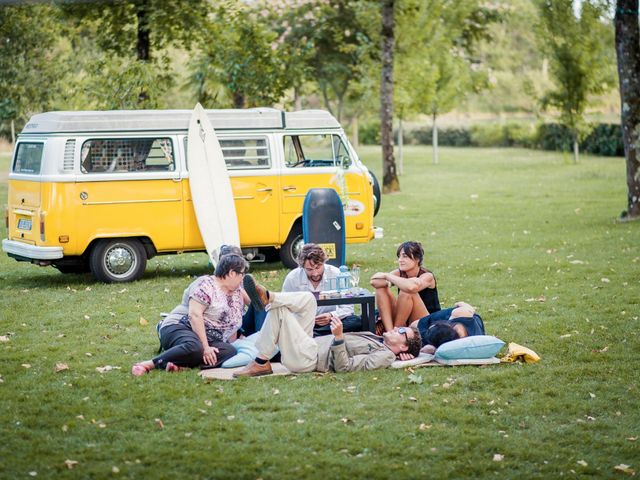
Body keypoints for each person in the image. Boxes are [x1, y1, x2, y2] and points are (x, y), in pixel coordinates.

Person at [233, 275, 422, 377]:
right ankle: (269, 297)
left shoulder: (386, 355)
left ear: (403, 346)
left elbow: (344, 368)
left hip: (309, 359)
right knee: (308, 299)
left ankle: (260, 362)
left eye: (402, 331)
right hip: (310, 344)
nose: (398, 327)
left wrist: (339, 338)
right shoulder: (378, 339)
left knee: (279, 311)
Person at [131, 253, 249, 376]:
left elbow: (254, 303)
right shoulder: (206, 286)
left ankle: (181, 365)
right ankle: (149, 364)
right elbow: (194, 315)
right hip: (182, 327)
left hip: (209, 337)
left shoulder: (236, 290)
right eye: (242, 274)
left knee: (228, 351)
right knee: (195, 347)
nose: (242, 278)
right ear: (231, 273)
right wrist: (206, 347)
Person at [241, 243, 361, 337]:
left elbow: (348, 308)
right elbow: (285, 308)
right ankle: (268, 299)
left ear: (324, 262)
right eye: (309, 269)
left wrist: (331, 315)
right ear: (302, 266)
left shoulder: (337, 274)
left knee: (355, 321)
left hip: (330, 323)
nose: (315, 273)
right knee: (278, 319)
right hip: (300, 323)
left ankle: (306, 335)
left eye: (318, 267)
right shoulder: (293, 278)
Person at [370, 241, 441, 334]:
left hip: (428, 322)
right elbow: (375, 282)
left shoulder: (427, 276)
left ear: (417, 259)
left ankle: (397, 333)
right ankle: (390, 332)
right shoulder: (399, 273)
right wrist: (387, 282)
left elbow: (411, 288)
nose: (400, 260)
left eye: (405, 256)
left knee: (407, 291)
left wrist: (387, 276)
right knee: (381, 289)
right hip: (405, 317)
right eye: (399, 256)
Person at [410, 301, 485, 351]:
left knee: (414, 327)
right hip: (457, 317)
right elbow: (469, 308)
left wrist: (432, 349)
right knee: (414, 325)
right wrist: (460, 304)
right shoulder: (460, 314)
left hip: (439, 334)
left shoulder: (452, 346)